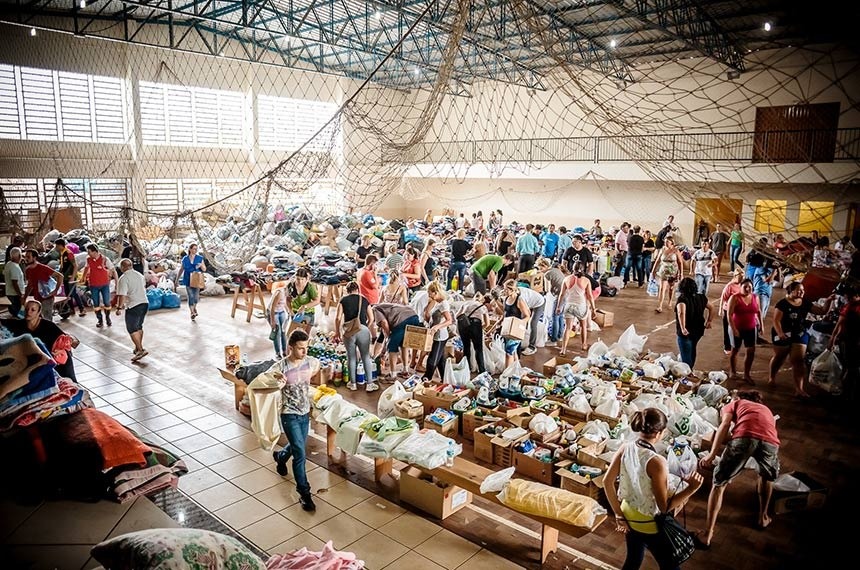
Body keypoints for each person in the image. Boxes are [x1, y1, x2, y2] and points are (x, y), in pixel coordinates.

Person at [604, 408, 704, 570]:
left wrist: (618, 514)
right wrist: (691, 489)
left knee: (633, 559)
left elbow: (607, 482)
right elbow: (664, 507)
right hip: (648, 521)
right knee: (670, 565)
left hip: (628, 515)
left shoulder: (625, 448)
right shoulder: (657, 461)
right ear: (659, 433)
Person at [696, 390, 780, 548]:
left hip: (744, 438)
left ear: (739, 398)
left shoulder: (735, 403)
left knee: (719, 483)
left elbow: (725, 426)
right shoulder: (766, 410)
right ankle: (763, 517)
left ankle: (707, 534)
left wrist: (712, 455)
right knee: (766, 476)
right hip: (770, 442)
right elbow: (760, 433)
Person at [272, 329, 321, 512]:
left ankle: (280, 457)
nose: (304, 352)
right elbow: (266, 380)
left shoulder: (310, 361)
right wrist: (277, 382)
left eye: (306, 348)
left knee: (296, 445)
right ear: (290, 348)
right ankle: (304, 493)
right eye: (300, 348)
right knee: (300, 453)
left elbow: (317, 366)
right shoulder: (281, 367)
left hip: (304, 413)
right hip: (289, 413)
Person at [769, 282, 835, 397]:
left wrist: (829, 301)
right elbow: (776, 320)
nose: (802, 292)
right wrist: (780, 333)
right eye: (799, 290)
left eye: (803, 290)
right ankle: (772, 377)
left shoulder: (805, 302)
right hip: (783, 332)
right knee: (779, 357)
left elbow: (822, 311)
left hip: (799, 332)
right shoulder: (782, 304)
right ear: (791, 291)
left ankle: (799, 389)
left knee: (798, 360)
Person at [1, 299, 78, 381]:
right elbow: (2, 322)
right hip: (34, 362)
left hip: (53, 360)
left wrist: (71, 340)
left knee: (67, 379)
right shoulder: (18, 324)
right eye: (27, 309)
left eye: (33, 310)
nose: (29, 312)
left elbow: (72, 341)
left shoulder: (49, 326)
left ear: (38, 312)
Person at [335, 281, 378, 392]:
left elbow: (338, 318)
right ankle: (369, 384)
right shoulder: (364, 300)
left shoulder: (343, 300)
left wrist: (337, 332)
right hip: (363, 329)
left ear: (347, 290)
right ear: (358, 290)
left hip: (349, 331)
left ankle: (353, 384)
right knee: (365, 356)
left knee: (351, 357)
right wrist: (364, 327)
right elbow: (371, 318)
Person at [371, 302, 421, 380]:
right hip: (414, 317)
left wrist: (389, 338)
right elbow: (383, 333)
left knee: (392, 347)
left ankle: (392, 375)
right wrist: (382, 350)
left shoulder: (374, 309)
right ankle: (405, 371)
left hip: (402, 320)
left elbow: (384, 323)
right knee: (403, 344)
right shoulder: (383, 307)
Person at [556, 262, 596, 356]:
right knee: (583, 326)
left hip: (568, 305)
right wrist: (593, 309)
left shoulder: (566, 279)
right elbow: (590, 296)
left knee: (568, 328)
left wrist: (558, 307)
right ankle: (584, 345)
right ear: (583, 269)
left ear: (572, 268)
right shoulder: (586, 280)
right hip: (580, 306)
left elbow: (561, 294)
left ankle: (563, 350)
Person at [114, 258, 149, 362]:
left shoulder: (124, 278)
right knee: (139, 327)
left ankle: (141, 350)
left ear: (123, 267)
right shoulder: (139, 275)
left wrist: (119, 307)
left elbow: (122, 295)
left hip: (134, 305)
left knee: (132, 329)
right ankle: (138, 348)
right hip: (144, 303)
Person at [728, 278, 761, 384]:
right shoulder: (735, 298)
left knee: (751, 351)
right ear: (740, 287)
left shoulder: (755, 297)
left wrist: (761, 324)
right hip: (737, 327)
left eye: (749, 287)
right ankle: (733, 371)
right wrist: (734, 329)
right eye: (745, 287)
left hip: (751, 328)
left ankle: (747, 374)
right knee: (735, 350)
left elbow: (758, 311)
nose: (747, 289)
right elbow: (729, 315)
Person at [829, 287, 860, 402]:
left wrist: (833, 338)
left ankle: (846, 393)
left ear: (856, 296)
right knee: (851, 369)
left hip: (851, 342)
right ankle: (846, 394)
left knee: (851, 369)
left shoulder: (852, 307)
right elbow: (840, 325)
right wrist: (833, 339)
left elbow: (840, 324)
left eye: (848, 297)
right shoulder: (849, 307)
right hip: (850, 342)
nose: (846, 300)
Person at [675, 277, 713, 368]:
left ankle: (688, 372)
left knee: (686, 355)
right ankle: (691, 368)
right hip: (698, 330)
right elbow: (711, 307)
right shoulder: (701, 297)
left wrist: (683, 328)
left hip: (687, 332)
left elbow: (681, 312)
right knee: (692, 349)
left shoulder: (682, 299)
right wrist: (709, 321)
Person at [421, 281, 453, 382]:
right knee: (440, 360)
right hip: (435, 335)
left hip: (440, 336)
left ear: (436, 292)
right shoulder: (437, 302)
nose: (429, 295)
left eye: (430, 293)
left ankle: (427, 378)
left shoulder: (444, 304)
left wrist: (437, 327)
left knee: (432, 359)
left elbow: (449, 320)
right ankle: (445, 379)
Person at [455, 293, 492, 374]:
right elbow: (487, 323)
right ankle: (481, 370)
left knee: (466, 347)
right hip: (475, 325)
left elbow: (457, 315)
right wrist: (480, 328)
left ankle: (466, 369)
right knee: (478, 349)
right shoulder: (482, 306)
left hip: (463, 326)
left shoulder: (465, 303)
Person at [23, 248, 63, 321]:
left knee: (46, 319)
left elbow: (60, 276)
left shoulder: (42, 268)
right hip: (37, 298)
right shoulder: (28, 270)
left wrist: (55, 290)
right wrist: (25, 297)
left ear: (34, 258)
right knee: (39, 318)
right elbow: (30, 285)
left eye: (28, 257)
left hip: (47, 298)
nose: (26, 259)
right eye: (25, 257)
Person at [499, 280, 531, 369]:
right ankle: (516, 369)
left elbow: (527, 316)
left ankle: (506, 373)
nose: (504, 291)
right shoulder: (506, 299)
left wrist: (519, 324)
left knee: (509, 352)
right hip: (507, 328)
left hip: (515, 330)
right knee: (513, 352)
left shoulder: (519, 300)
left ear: (512, 289)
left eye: (506, 289)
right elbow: (504, 313)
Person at [53, 239, 86, 319]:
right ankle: (71, 309)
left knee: (73, 293)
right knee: (67, 294)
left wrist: (72, 277)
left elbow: (75, 266)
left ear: (60, 245)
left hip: (70, 276)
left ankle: (82, 309)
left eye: (56, 246)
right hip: (65, 276)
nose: (55, 248)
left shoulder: (69, 253)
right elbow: (63, 266)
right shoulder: (62, 253)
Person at [651, 237, 683, 314]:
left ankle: (670, 301)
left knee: (671, 288)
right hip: (663, 271)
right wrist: (653, 271)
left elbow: (680, 262)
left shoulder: (676, 250)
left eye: (667, 242)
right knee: (662, 288)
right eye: (665, 242)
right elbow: (658, 260)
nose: (665, 243)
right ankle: (660, 306)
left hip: (673, 271)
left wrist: (681, 273)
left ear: (672, 242)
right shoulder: (662, 250)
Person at [175, 243, 206, 321]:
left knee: (196, 297)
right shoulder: (185, 259)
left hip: (196, 279)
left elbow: (204, 269)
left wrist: (201, 266)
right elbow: (181, 269)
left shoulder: (199, 258)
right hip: (187, 279)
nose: (195, 250)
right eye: (194, 249)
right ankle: (192, 312)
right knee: (190, 296)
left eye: (196, 249)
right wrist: (177, 279)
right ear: (190, 249)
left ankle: (194, 308)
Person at [718, 269, 744, 354]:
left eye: (743, 277)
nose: (742, 279)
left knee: (736, 328)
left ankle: (736, 344)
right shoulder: (729, 286)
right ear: (735, 276)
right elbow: (723, 298)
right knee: (727, 329)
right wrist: (721, 309)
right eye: (740, 277)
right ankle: (727, 346)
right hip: (727, 310)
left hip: (737, 311)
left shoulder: (742, 285)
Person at [268, 282, 290, 359]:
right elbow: (272, 307)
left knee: (284, 331)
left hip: (281, 311)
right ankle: (277, 353)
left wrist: (288, 311)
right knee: (278, 332)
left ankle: (284, 351)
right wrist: (272, 321)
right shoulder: (280, 293)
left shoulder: (289, 293)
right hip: (273, 312)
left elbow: (285, 303)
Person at [3, 246, 25, 319]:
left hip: (10, 292)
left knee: (15, 312)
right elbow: (14, 282)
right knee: (19, 314)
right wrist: (20, 295)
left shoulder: (9, 264)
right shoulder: (14, 267)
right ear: (19, 256)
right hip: (15, 294)